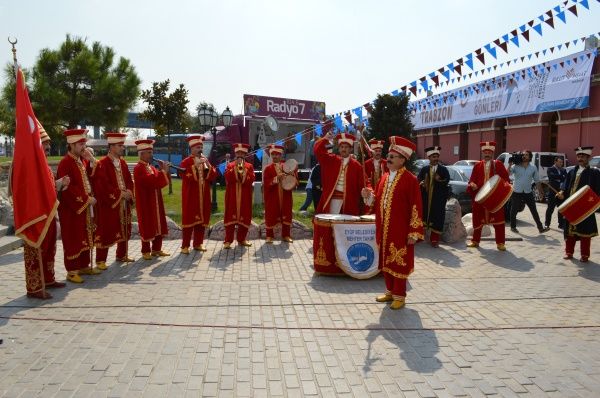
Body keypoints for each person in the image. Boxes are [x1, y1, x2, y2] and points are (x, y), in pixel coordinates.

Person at [362, 136, 424, 310]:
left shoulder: (410, 180)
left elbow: (416, 207)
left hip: (401, 229)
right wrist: (369, 196)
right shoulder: (385, 177)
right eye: (388, 155)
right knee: (386, 261)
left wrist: (414, 231)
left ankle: (400, 296)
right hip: (384, 228)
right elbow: (378, 201)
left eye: (393, 156)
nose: (388, 159)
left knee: (399, 261)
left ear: (403, 160)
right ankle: (390, 291)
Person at [19, 125, 68, 298]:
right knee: (36, 252)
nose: (48, 148)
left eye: (48, 145)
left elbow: (49, 189)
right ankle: (34, 288)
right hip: (35, 216)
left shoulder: (45, 167)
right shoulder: (28, 167)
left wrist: (60, 184)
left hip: (49, 214)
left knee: (49, 248)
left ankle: (48, 279)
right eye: (44, 144)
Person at [57, 129, 98, 283]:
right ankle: (72, 270)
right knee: (73, 238)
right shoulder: (65, 162)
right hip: (71, 209)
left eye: (84, 143)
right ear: (72, 145)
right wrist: (86, 199)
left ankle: (83, 265)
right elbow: (69, 188)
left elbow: (92, 177)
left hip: (85, 206)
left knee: (85, 235)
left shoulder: (82, 160)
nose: (84, 147)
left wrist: (92, 160)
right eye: (81, 144)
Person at [92, 132, 134, 269]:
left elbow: (128, 180)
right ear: (111, 147)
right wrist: (120, 194)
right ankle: (100, 260)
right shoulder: (102, 164)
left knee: (125, 228)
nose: (123, 148)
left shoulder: (123, 163)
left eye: (122, 145)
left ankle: (122, 254)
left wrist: (129, 192)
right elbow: (102, 185)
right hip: (109, 204)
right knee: (106, 230)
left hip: (124, 202)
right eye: (120, 146)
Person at [557, 146, 600, 262]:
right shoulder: (572, 171)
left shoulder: (594, 173)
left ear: (588, 158)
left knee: (585, 232)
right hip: (571, 206)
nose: (580, 158)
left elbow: (597, 191)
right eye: (579, 156)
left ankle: (585, 255)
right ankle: (569, 252)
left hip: (585, 208)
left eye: (583, 156)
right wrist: (561, 192)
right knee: (569, 232)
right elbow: (565, 186)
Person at [466, 141, 510, 251]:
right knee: (477, 220)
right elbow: (472, 180)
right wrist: (472, 185)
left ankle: (500, 243)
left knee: (499, 221)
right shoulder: (477, 166)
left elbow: (506, 180)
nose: (487, 154)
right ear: (482, 153)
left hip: (494, 199)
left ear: (492, 153)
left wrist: (499, 189)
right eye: (485, 152)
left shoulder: (498, 164)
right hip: (480, 198)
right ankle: (475, 241)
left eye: (489, 152)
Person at [133, 139, 170, 260]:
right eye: (148, 152)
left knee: (158, 223)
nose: (151, 155)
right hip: (146, 202)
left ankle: (156, 249)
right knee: (147, 224)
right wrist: (163, 170)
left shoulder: (151, 167)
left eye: (151, 152)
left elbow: (159, 182)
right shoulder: (139, 168)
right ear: (141, 153)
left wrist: (162, 170)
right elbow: (151, 181)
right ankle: (145, 251)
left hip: (156, 201)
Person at [179, 135, 216, 254]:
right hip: (191, 196)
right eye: (197, 147)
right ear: (192, 149)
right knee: (189, 220)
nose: (200, 149)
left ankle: (198, 243)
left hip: (204, 195)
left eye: (201, 147)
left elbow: (213, 175)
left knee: (201, 221)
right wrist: (195, 165)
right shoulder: (186, 162)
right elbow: (184, 176)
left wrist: (208, 166)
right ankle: (185, 246)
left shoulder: (206, 160)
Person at [314, 131, 365, 215]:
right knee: (329, 226)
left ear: (351, 149)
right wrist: (325, 139)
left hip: (348, 203)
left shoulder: (357, 166)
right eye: (341, 147)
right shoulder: (331, 160)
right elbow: (318, 151)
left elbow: (364, 183)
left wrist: (367, 191)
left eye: (346, 147)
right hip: (330, 200)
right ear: (339, 148)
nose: (343, 149)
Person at [508, 150, 549, 234]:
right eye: (523, 154)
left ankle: (540, 228)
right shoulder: (516, 166)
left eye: (526, 155)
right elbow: (507, 173)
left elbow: (537, 181)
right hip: (516, 191)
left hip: (528, 191)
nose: (524, 156)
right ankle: (513, 227)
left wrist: (541, 193)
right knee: (514, 209)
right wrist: (509, 164)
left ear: (530, 157)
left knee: (534, 210)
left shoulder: (533, 167)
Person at [223, 143, 255, 249]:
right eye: (238, 153)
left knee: (244, 217)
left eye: (242, 153)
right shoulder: (230, 165)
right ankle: (228, 240)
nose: (240, 155)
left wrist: (244, 171)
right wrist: (235, 168)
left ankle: (242, 239)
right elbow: (227, 177)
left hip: (245, 197)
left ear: (245, 154)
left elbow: (251, 180)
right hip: (232, 196)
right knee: (230, 218)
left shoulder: (249, 166)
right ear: (235, 154)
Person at [263, 144, 297, 243]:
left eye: (277, 154)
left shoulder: (287, 166)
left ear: (281, 155)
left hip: (285, 195)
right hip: (273, 196)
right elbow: (266, 182)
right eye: (273, 154)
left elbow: (294, 180)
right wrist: (277, 178)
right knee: (271, 213)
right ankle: (269, 236)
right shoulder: (268, 169)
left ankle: (286, 235)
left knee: (286, 212)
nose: (275, 156)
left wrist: (292, 175)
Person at [417, 146, 449, 247]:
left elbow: (447, 181)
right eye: (433, 156)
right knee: (422, 215)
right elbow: (418, 180)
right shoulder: (424, 169)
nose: (435, 158)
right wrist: (421, 183)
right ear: (429, 158)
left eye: (436, 156)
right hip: (425, 199)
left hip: (438, 199)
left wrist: (438, 180)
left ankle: (434, 239)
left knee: (437, 217)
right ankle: (419, 236)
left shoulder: (443, 170)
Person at [544, 157, 567, 230]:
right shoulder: (550, 169)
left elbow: (566, 178)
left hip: (561, 192)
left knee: (561, 209)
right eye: (559, 162)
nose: (561, 163)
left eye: (562, 162)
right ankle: (547, 224)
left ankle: (561, 224)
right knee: (550, 209)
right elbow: (551, 177)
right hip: (553, 192)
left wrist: (559, 177)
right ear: (555, 162)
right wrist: (561, 177)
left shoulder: (563, 170)